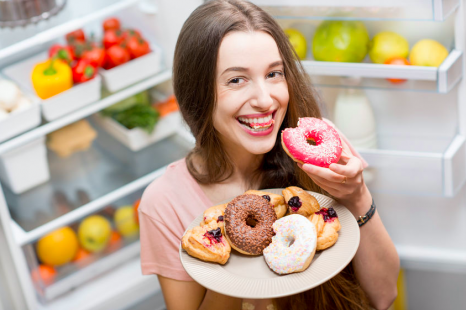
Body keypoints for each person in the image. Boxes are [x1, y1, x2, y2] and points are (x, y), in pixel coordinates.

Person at [139, 1, 400, 309]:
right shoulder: (165, 202)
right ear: (198, 91)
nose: (265, 100)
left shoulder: (318, 149)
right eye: (237, 79)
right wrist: (238, 248)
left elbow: (384, 296)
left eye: (274, 74)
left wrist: (358, 197)